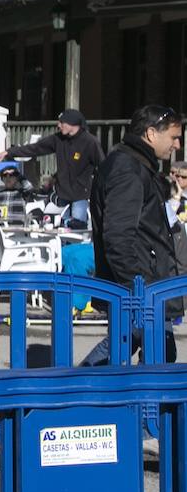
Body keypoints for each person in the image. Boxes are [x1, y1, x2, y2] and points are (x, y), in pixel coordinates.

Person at [82, 105, 183, 366]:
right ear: (151, 134)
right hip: (140, 287)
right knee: (137, 349)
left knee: (148, 350)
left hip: (147, 285)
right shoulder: (128, 170)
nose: (177, 145)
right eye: (173, 137)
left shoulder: (139, 167)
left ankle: (86, 391)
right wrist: (137, 292)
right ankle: (78, 390)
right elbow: (118, 238)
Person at [0, 109, 104, 228]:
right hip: (61, 195)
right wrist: (9, 152)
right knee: (57, 230)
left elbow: (103, 167)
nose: (58, 125)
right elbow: (35, 148)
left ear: (72, 124)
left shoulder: (90, 142)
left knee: (76, 230)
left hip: (80, 196)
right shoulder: (58, 139)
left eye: (61, 123)